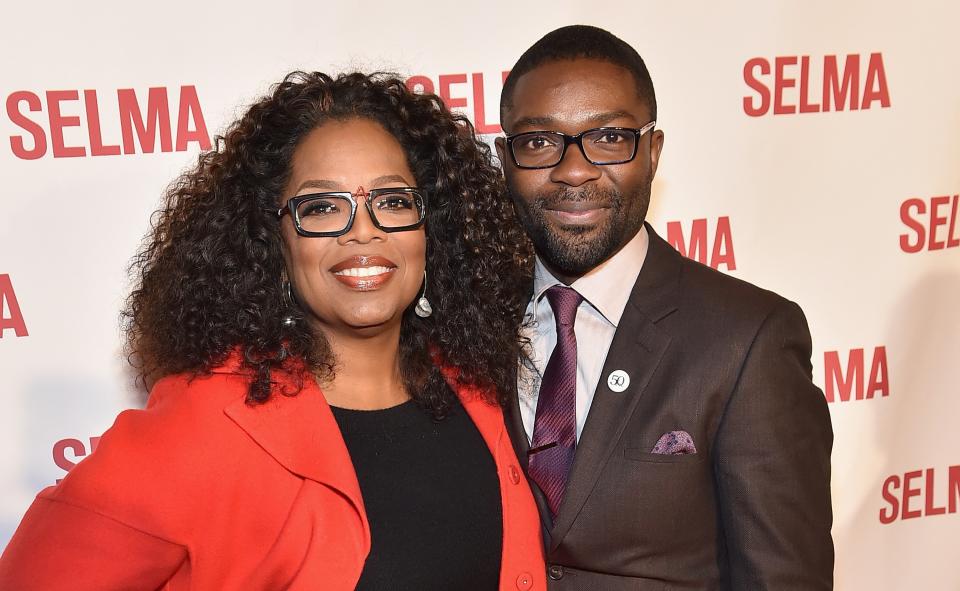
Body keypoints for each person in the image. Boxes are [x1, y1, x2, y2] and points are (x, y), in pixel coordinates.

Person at [0, 71, 547, 590]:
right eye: (322, 207)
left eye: (392, 201)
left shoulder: (475, 385)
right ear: (273, 238)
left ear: (433, 226)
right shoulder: (208, 421)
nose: (363, 232)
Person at [495, 25, 834, 589]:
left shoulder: (748, 338)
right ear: (505, 159)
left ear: (652, 152)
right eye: (538, 142)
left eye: (608, 138)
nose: (573, 169)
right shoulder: (463, 321)